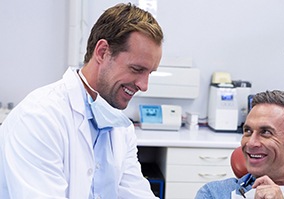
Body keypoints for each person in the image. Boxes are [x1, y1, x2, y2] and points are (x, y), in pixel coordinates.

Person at [0, 3, 163, 198]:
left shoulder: (120, 128)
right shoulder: (38, 119)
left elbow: (135, 193)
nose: (144, 85)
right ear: (102, 52)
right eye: (137, 69)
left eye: (149, 73)